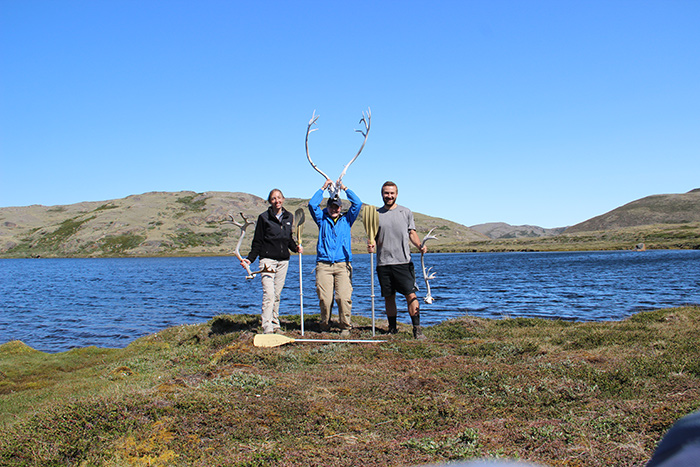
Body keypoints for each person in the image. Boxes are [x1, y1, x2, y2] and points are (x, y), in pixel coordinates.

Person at [367, 181, 427, 339]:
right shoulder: (376, 214)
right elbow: (372, 236)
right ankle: (392, 329)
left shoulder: (405, 212)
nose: (389, 196)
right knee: (389, 297)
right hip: (383, 263)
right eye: (386, 193)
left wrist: (420, 245)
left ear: (397, 194)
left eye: (392, 193)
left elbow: (412, 233)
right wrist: (370, 244)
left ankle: (417, 329)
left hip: (403, 263)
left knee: (411, 295)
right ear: (382, 194)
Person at [241, 188, 302, 334]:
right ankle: (266, 326)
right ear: (270, 201)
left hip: (283, 261)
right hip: (267, 260)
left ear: (283, 199)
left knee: (277, 294)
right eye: (274, 198)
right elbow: (258, 241)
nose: (277, 201)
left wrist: (295, 248)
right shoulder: (264, 217)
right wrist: (250, 259)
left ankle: (275, 324)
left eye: (279, 198)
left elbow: (288, 239)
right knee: (269, 294)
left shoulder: (289, 217)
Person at [308, 179, 362, 337]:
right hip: (324, 265)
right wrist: (323, 188)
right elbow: (312, 205)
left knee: (343, 298)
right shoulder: (321, 219)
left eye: (337, 206)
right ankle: (325, 324)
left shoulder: (347, 220)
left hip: (342, 265)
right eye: (331, 206)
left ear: (340, 207)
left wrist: (345, 188)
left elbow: (357, 203)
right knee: (325, 299)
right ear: (328, 207)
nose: (334, 209)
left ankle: (345, 326)